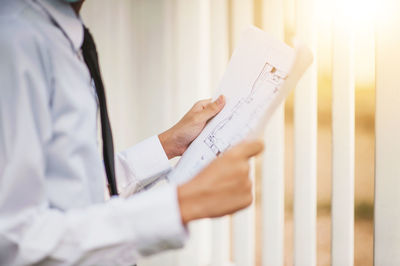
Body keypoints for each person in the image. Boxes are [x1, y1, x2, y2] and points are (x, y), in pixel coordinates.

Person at [0, 0, 264, 265]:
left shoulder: (58, 37)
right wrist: (183, 203)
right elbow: (14, 241)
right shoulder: (15, 40)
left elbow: (76, 194)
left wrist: (169, 144)